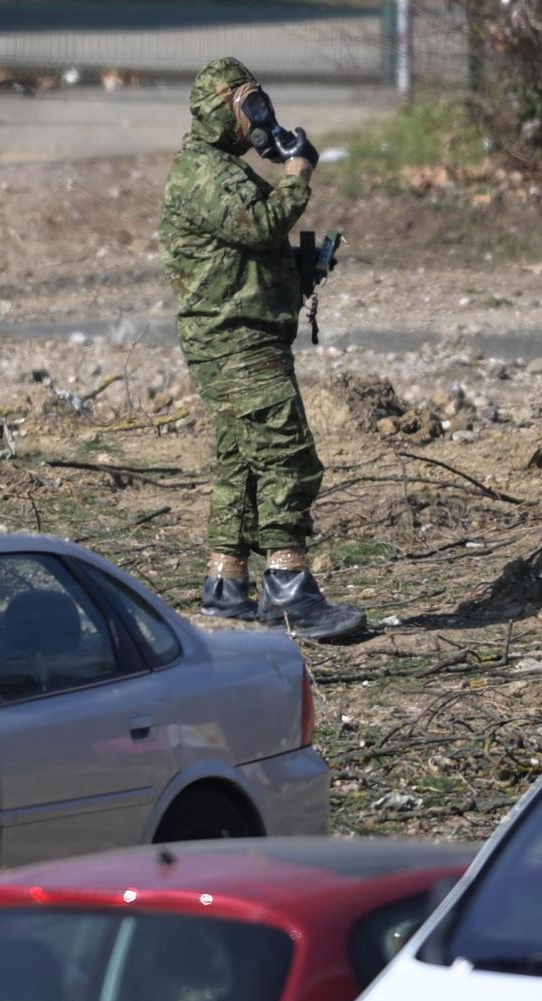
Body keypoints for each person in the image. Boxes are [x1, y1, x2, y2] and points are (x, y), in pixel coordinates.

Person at [159, 57, 365, 642]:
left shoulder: (221, 168)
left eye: (259, 102)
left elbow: (245, 251)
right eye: (247, 105)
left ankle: (226, 584)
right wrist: (298, 171)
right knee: (286, 455)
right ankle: (289, 589)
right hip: (236, 341)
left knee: (243, 462)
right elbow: (258, 225)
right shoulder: (206, 174)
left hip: (239, 333)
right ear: (220, 110)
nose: (258, 116)